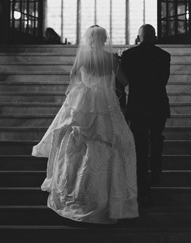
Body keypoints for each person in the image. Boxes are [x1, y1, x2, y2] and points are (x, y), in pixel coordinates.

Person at [32, 25, 139, 224]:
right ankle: (104, 194)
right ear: (104, 39)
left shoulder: (83, 58)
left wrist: (75, 100)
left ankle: (74, 192)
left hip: (83, 102)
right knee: (111, 143)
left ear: (88, 40)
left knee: (76, 146)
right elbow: (124, 81)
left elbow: (73, 80)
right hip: (106, 103)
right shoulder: (111, 59)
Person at [120, 24, 171, 208]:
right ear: (155, 37)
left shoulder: (128, 55)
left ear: (138, 37)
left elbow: (124, 80)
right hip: (158, 105)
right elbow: (164, 79)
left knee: (140, 146)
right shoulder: (164, 55)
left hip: (138, 106)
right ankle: (156, 174)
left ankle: (143, 187)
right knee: (156, 139)